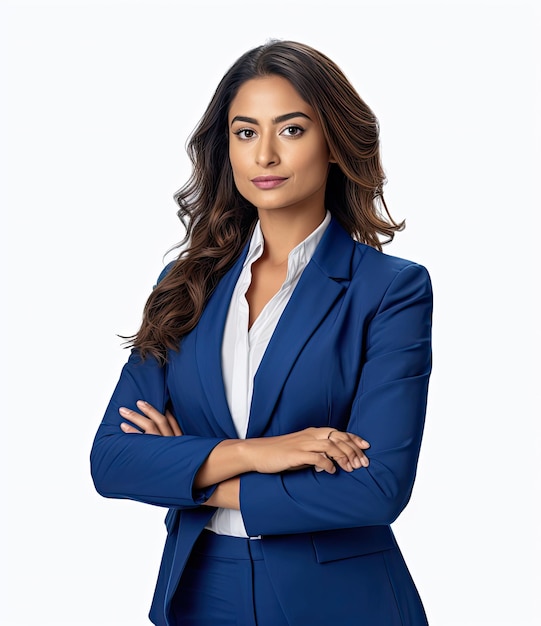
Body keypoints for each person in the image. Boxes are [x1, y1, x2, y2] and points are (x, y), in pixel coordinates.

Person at [90, 39, 433, 626]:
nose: (265, 155)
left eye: (292, 130)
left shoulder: (390, 289)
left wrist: (192, 471)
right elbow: (113, 460)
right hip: (200, 588)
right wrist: (261, 454)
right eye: (245, 132)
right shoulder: (185, 283)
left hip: (338, 599)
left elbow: (378, 489)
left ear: (334, 143)